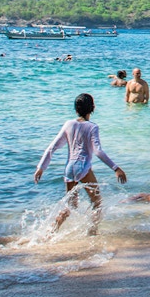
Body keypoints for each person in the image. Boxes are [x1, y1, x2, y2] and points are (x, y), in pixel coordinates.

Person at [34, 93, 126, 233]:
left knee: (70, 206)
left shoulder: (68, 124)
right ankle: (92, 232)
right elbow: (98, 151)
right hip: (83, 167)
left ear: (76, 109)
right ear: (92, 108)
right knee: (97, 203)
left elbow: (52, 147)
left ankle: (51, 231)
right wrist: (115, 168)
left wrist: (41, 168)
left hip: (69, 169)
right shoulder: (92, 127)